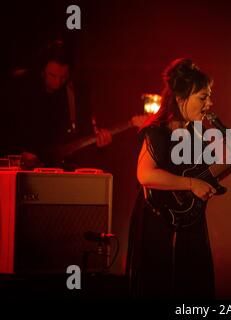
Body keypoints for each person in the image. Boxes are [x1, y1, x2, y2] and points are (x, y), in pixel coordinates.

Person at [126, 58, 216, 299]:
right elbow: (145, 174)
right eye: (203, 97)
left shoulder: (197, 132)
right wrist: (190, 184)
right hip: (159, 223)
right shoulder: (157, 131)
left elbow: (205, 174)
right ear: (180, 98)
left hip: (188, 223)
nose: (209, 103)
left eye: (209, 97)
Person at [1, 40, 112, 169]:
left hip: (58, 170)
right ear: (42, 70)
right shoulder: (20, 87)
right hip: (21, 170)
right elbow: (7, 128)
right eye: (52, 75)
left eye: (63, 77)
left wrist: (100, 145)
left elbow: (83, 135)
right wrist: (19, 153)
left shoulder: (74, 94)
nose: (57, 82)